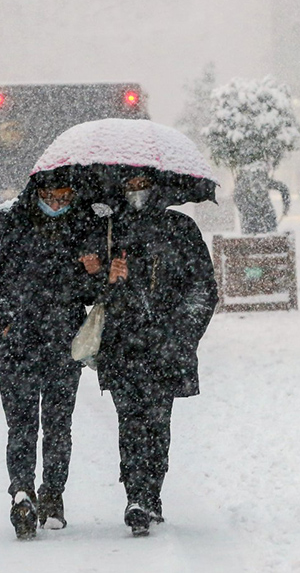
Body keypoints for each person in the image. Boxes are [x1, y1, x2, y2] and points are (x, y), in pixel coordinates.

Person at [84, 170, 218, 536]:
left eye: (143, 185)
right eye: (129, 185)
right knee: (130, 421)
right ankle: (136, 496)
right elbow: (87, 289)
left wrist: (182, 333)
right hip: (122, 345)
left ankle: (151, 491)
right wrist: (105, 277)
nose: (136, 192)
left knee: (158, 424)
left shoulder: (180, 228)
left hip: (165, 346)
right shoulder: (108, 230)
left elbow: (203, 287)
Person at [0, 170, 97, 540]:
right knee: (23, 424)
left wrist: (92, 271)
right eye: (52, 197)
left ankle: (52, 494)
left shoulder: (83, 222)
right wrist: (5, 318)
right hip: (18, 343)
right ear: (38, 191)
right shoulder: (8, 219)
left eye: (65, 198)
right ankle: (23, 493)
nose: (58, 205)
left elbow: (90, 292)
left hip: (63, 342)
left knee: (58, 425)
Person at [233, 163, 291, 234]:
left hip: (255, 217)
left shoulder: (243, 183)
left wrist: (245, 209)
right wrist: (286, 206)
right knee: (268, 238)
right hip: (260, 216)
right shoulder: (261, 181)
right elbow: (283, 188)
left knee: (254, 239)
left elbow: (236, 196)